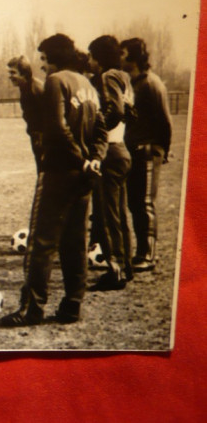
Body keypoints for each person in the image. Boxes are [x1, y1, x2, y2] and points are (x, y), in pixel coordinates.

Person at [1, 34, 107, 327]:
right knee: (75, 242)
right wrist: (94, 159)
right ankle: (72, 306)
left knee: (42, 243)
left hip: (60, 172)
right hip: (84, 177)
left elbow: (57, 130)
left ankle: (32, 308)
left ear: (55, 58)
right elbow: (101, 129)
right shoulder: (87, 83)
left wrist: (79, 159)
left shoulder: (57, 81)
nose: (42, 65)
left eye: (44, 59)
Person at [86, 35, 135, 290]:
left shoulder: (107, 77)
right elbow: (127, 111)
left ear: (100, 58)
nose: (90, 62)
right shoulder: (124, 76)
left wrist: (95, 129)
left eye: (92, 57)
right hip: (122, 148)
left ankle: (115, 271)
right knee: (120, 214)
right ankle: (125, 267)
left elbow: (114, 111)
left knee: (107, 215)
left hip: (111, 151)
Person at [121, 38, 172, 272]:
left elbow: (164, 121)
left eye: (122, 53)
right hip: (134, 152)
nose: (119, 57)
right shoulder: (132, 84)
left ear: (133, 56)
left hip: (148, 151)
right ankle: (141, 250)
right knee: (134, 202)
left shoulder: (152, 84)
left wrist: (161, 151)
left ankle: (148, 255)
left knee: (144, 202)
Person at [7, 55, 45, 172]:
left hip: (44, 139)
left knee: (45, 174)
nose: (10, 76)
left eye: (13, 73)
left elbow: (50, 116)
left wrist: (42, 138)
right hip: (36, 137)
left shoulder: (36, 89)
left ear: (24, 73)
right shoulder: (25, 88)